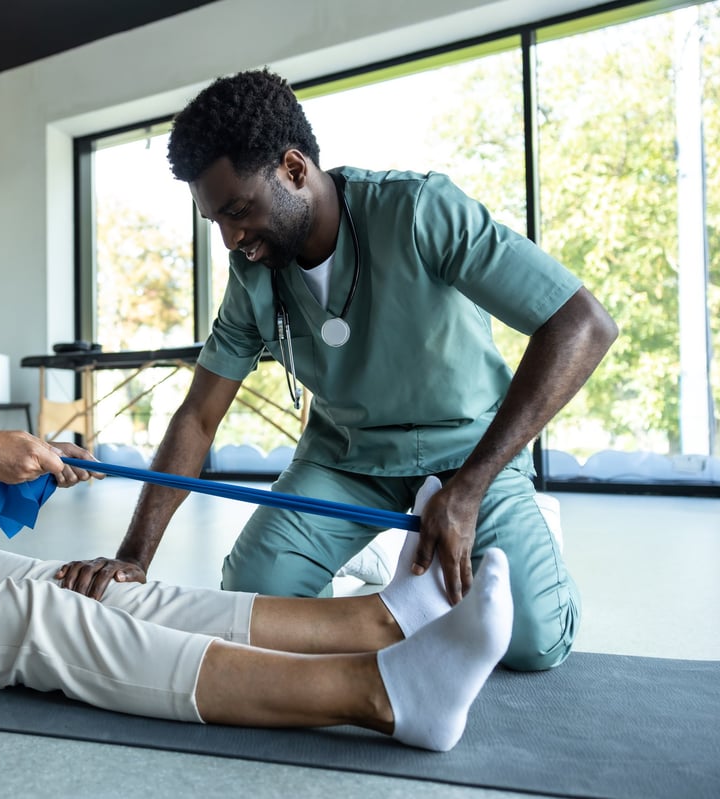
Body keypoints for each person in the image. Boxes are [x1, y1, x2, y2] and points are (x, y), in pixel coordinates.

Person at [0, 127, 515, 752]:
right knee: (36, 621)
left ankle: (380, 619)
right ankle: (382, 693)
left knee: (99, 588)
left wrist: (15, 465)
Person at [56, 69, 618, 673]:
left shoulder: (418, 210)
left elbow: (582, 324)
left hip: (470, 449)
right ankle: (382, 562)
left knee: (533, 643)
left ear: (295, 169)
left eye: (239, 210)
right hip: (347, 458)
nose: (229, 238)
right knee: (253, 592)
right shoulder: (253, 275)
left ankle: (513, 528)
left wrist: (472, 486)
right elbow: (198, 415)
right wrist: (134, 557)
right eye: (215, 220)